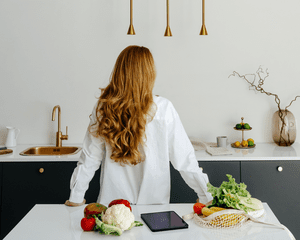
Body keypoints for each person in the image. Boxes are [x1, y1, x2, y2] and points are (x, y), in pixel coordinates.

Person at [65, 45, 213, 207]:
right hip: (155, 208)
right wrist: (206, 196)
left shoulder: (104, 107)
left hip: (113, 209)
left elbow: (89, 158)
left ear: (119, 72)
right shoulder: (163, 108)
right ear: (150, 74)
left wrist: (76, 198)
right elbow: (185, 160)